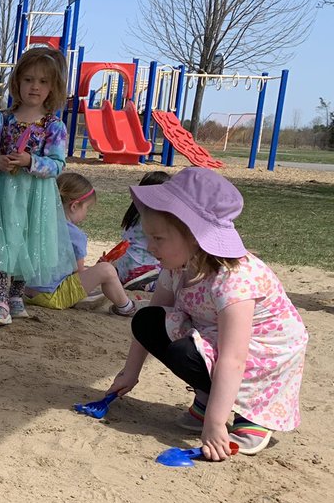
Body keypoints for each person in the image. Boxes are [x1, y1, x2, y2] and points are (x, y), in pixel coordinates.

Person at [107, 169, 308, 460]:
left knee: (186, 352)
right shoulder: (178, 265)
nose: (150, 247)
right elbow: (155, 315)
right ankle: (209, 395)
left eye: (158, 238)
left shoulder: (234, 279)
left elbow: (234, 357)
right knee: (148, 321)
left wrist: (215, 424)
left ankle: (253, 416)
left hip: (262, 357)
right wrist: (130, 372)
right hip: (215, 339)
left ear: (194, 236)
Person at [0, 46, 76, 327]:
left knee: (30, 243)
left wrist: (31, 161)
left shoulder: (54, 126)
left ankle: (16, 297)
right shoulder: (1, 119)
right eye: (29, 79)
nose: (35, 86)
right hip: (3, 195)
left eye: (43, 81)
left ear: (53, 87)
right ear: (17, 82)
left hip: (36, 197)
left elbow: (57, 164)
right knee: (2, 242)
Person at [24, 172, 137, 316]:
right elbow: (78, 272)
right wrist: (97, 268)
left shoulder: (37, 224)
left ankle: (87, 299)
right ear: (74, 206)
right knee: (107, 270)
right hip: (51, 296)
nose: (87, 214)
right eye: (87, 208)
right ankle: (126, 307)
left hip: (26, 293)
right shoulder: (76, 235)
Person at [114, 170, 171, 290]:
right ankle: (148, 284)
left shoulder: (134, 214)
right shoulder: (155, 219)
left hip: (123, 271)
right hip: (142, 272)